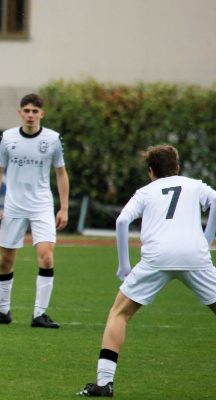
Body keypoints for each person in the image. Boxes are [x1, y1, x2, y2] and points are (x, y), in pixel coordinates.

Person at [77, 144, 216, 397]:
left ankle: (104, 383)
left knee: (119, 314)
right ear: (177, 167)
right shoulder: (195, 185)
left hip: (157, 257)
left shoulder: (145, 192)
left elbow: (121, 221)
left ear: (151, 171)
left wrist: (124, 264)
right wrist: (207, 239)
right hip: (195, 256)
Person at [0, 93, 69, 328]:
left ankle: (40, 314)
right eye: (26, 111)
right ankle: (2, 311)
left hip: (41, 206)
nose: (30, 115)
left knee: (46, 257)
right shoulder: (8, 138)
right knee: (5, 260)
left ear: (42, 114)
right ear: (20, 113)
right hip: (14, 205)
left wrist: (64, 208)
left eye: (35, 111)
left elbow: (61, 172)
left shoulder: (52, 139)